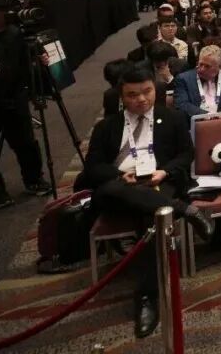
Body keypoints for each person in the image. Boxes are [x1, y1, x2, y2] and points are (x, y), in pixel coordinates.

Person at [76, 64, 213, 338]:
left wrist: (165, 171)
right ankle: (184, 210)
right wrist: (119, 175)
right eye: (132, 94)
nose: (141, 99)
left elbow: (185, 154)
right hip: (119, 187)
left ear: (155, 90)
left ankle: (147, 297)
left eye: (147, 92)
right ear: (122, 96)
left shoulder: (172, 118)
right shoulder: (107, 126)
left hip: (158, 182)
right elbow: (93, 166)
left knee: (152, 216)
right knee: (117, 191)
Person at [0, 0, 51, 209]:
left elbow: (27, 65)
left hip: (14, 97)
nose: (8, 15)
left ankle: (34, 180)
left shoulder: (17, 34)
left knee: (26, 143)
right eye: (3, 12)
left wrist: (40, 61)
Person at [172, 45, 221, 121]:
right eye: (200, 64)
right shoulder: (184, 79)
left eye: (207, 66)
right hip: (195, 123)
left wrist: (218, 117)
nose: (202, 69)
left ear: (220, 66)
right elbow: (182, 104)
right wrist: (207, 116)